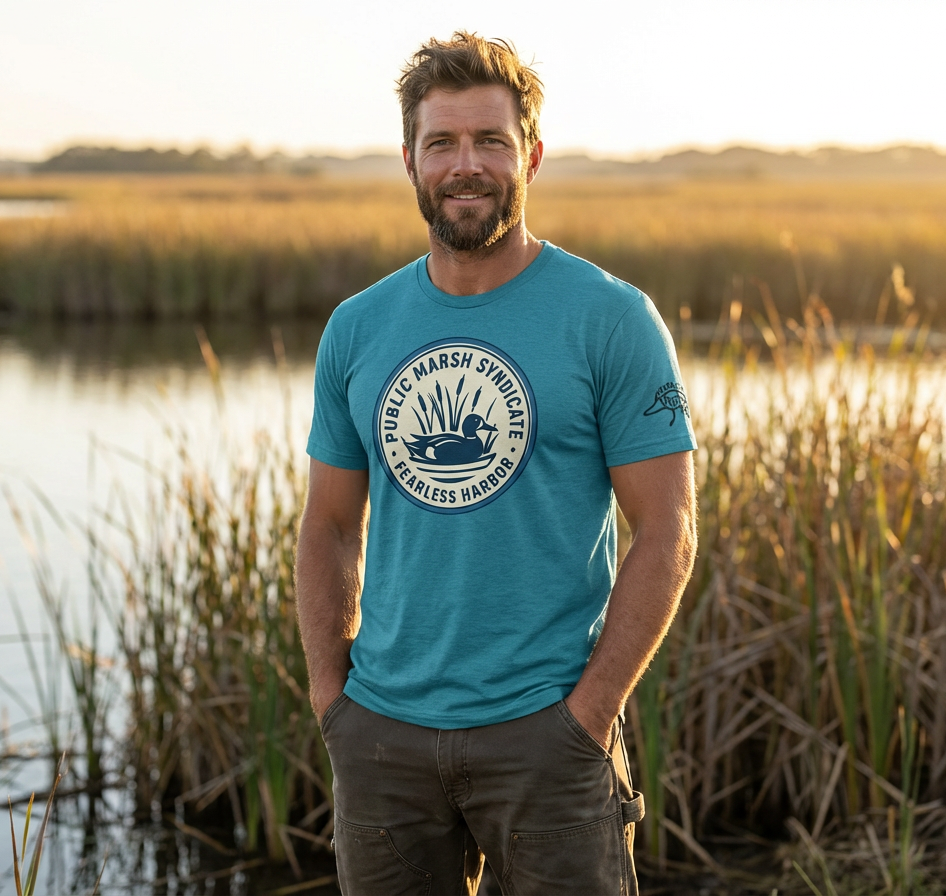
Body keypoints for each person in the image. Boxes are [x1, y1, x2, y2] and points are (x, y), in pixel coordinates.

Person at [296, 31, 698, 896]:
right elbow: (328, 526)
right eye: (442, 142)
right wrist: (336, 705)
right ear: (410, 159)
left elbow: (668, 533)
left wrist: (586, 719)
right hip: (383, 741)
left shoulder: (610, 318)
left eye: (490, 141)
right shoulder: (358, 329)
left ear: (533, 157)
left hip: (546, 739)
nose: (465, 165)